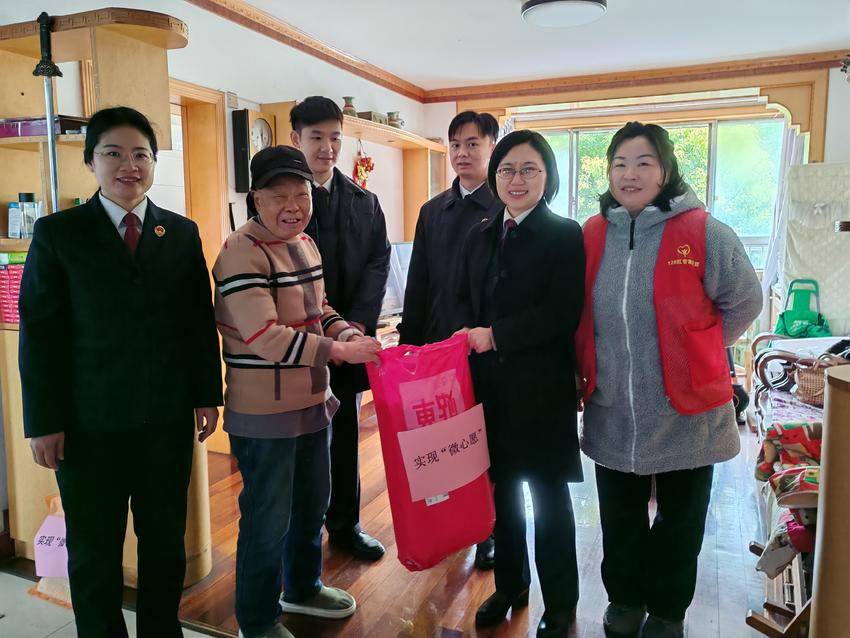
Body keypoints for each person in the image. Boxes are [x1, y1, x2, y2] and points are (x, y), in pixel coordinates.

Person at [18, 106, 223, 638]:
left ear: (153, 163)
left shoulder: (180, 233)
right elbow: (40, 335)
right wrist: (43, 422)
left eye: (141, 154)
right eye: (113, 153)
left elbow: (197, 321)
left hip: (165, 420)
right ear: (91, 161)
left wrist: (207, 393)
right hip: (86, 426)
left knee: (164, 544)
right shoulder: (58, 233)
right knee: (94, 551)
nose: (129, 165)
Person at [575, 122, 762, 638]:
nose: (630, 174)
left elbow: (745, 300)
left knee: (681, 521)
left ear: (666, 169)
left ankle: (667, 611)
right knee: (619, 518)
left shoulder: (704, 231)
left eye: (644, 162)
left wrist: (698, 349)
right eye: (619, 163)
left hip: (689, 413)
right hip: (613, 408)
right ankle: (625, 600)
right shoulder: (592, 234)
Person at [214, 145, 382, 638]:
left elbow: (318, 308)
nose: (293, 206)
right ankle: (257, 620)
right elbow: (264, 337)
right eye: (279, 196)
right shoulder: (240, 251)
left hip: (312, 402)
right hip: (264, 413)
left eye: (301, 194)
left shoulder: (305, 243)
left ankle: (303, 588)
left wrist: (346, 332)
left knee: (312, 505)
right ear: (256, 200)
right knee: (268, 519)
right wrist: (338, 350)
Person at [455, 130, 585, 638]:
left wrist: (497, 335)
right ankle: (510, 586)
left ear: (547, 177)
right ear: (495, 177)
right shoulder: (481, 233)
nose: (516, 179)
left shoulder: (564, 234)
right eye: (507, 169)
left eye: (529, 169)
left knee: (549, 499)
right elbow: (466, 300)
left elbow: (562, 312)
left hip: (542, 391)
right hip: (489, 389)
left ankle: (561, 603)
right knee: (502, 495)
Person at [397, 109, 502, 569]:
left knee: (485, 444)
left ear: (492, 147)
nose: (462, 153)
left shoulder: (504, 208)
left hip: (484, 353)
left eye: (473, 143)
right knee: (442, 443)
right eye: (455, 144)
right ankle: (451, 522)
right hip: (437, 352)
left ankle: (489, 529)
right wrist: (409, 345)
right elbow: (418, 284)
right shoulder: (432, 211)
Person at [288, 96, 391, 561]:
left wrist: (356, 326)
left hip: (349, 337)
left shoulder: (365, 203)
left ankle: (346, 526)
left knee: (345, 435)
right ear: (297, 139)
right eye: (316, 137)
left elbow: (378, 263)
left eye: (334, 137)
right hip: (299, 344)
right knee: (302, 445)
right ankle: (300, 537)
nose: (327, 148)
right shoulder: (281, 200)